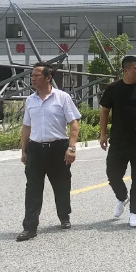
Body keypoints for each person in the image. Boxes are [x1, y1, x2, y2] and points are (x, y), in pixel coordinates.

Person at [17, 63, 81, 241]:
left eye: (37, 75)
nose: (33, 78)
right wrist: (24, 150)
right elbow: (26, 127)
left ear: (48, 77)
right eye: (32, 75)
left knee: (61, 186)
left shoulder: (62, 97)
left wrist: (71, 148)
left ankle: (64, 215)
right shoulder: (30, 100)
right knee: (33, 189)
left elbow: (74, 124)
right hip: (35, 149)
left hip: (58, 149)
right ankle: (29, 227)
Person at [99, 55, 136, 228]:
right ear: (126, 70)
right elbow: (104, 111)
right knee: (112, 173)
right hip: (118, 140)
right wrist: (103, 134)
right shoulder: (113, 88)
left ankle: (134, 212)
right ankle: (123, 196)